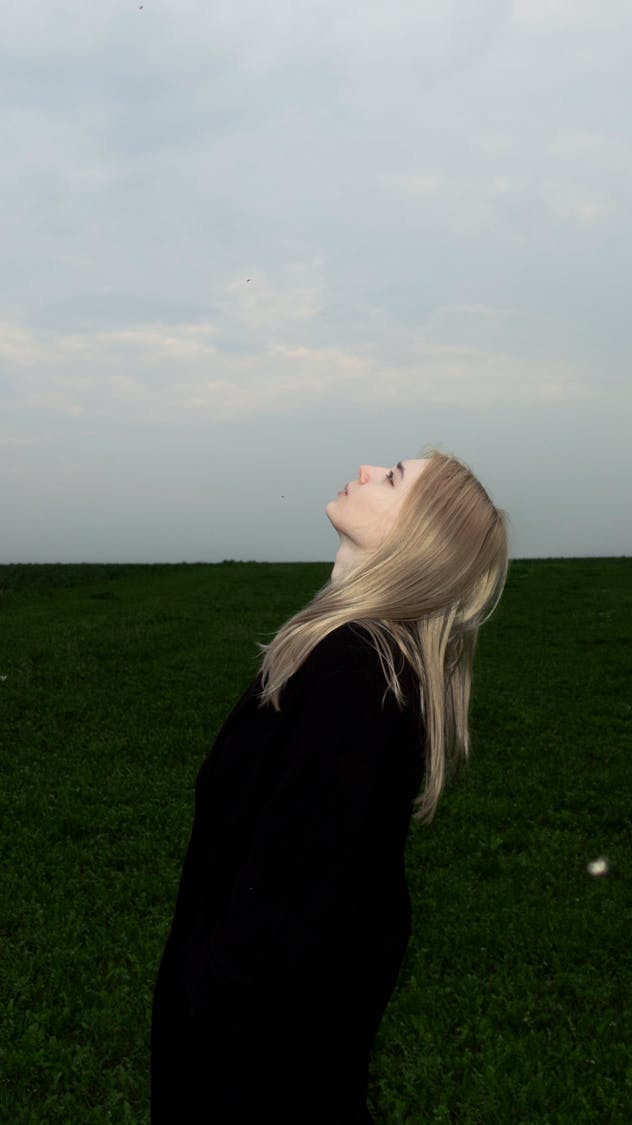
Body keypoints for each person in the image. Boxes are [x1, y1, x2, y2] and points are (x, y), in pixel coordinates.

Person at [150, 450, 509, 1124]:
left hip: (248, 1080)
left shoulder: (357, 677)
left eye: (395, 476)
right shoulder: (349, 656)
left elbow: (290, 918)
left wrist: (202, 1028)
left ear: (419, 538)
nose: (369, 468)